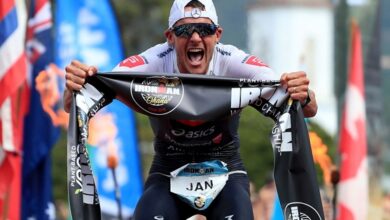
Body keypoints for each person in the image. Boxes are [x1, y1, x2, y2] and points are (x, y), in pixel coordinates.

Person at [63, 0, 318, 219]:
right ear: (170, 37)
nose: (195, 38)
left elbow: (302, 106)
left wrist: (303, 94)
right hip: (169, 167)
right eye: (185, 30)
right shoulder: (154, 61)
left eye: (204, 30)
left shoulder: (232, 60)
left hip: (224, 167)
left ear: (217, 35)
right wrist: (76, 86)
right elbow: (83, 98)